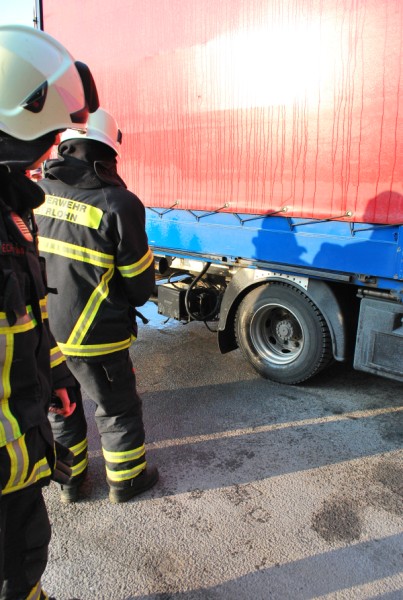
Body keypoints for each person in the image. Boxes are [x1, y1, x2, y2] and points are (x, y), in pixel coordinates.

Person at [0, 24, 99, 600]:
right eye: (48, 134)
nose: (54, 147)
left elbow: (28, 317)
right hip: (7, 468)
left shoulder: (14, 210)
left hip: (19, 470)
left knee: (23, 564)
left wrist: (54, 373)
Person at [35, 108, 159, 504]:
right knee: (117, 408)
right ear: (107, 155)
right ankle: (126, 480)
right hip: (95, 334)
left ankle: (71, 483)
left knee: (62, 406)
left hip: (45, 333)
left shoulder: (37, 194)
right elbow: (139, 287)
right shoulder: (120, 203)